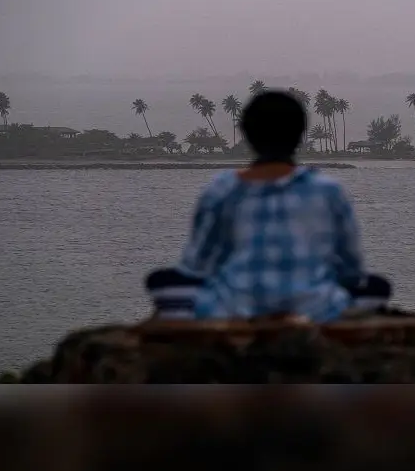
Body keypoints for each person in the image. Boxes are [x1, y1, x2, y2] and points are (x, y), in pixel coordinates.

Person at [145, 90, 394, 321]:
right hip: (317, 309)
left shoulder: (221, 189)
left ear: (247, 135)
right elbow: (351, 268)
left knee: (163, 281)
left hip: (233, 308)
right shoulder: (328, 190)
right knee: (376, 287)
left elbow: (197, 266)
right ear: (300, 135)